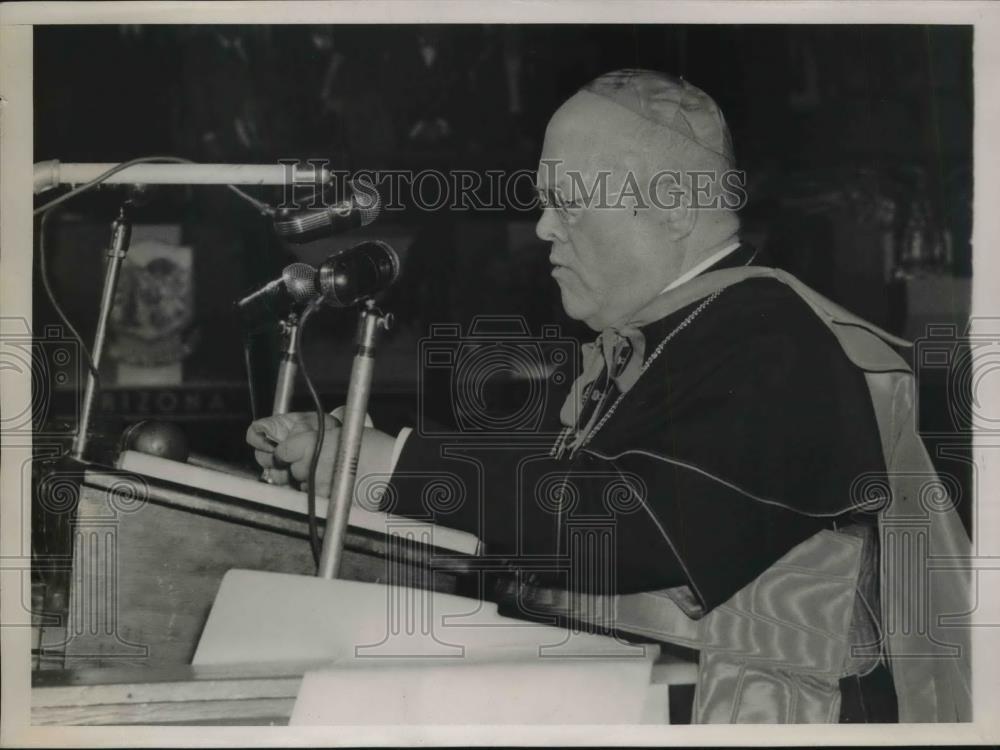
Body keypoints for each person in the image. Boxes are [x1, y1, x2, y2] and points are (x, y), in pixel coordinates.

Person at [247, 69, 971, 724]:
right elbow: (559, 491)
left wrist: (391, 469)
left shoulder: (773, 340)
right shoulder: (670, 334)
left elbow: (634, 527)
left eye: (566, 201)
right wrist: (350, 466)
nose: (542, 228)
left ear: (673, 207)